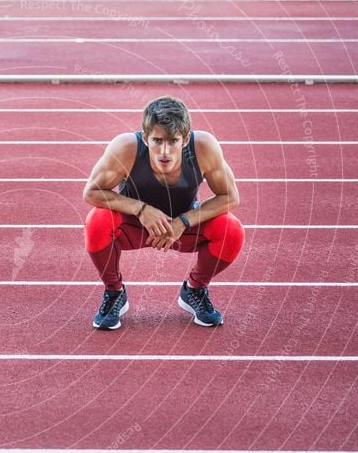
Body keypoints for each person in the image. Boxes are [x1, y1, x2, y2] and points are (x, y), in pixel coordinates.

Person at [83, 95, 244, 329]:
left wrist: (183, 222)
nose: (164, 151)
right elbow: (91, 193)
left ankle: (195, 290)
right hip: (135, 226)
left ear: (186, 139)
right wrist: (141, 209)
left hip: (181, 228)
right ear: (146, 138)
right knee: (97, 221)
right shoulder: (126, 148)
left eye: (173, 141)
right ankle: (114, 291)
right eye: (157, 140)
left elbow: (231, 197)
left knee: (232, 229)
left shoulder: (204, 148)